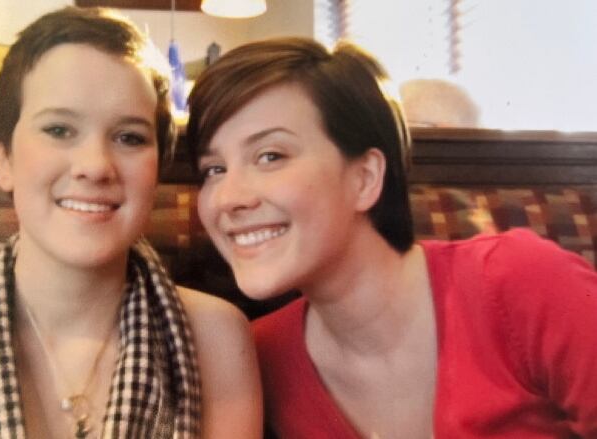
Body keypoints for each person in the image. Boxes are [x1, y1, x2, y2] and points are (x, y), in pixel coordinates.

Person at [0, 7, 261, 439]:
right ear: (3, 158)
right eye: (59, 129)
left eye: (129, 137)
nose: (95, 166)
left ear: (158, 169)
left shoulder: (218, 338)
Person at [186, 37, 597, 438]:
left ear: (365, 178)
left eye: (271, 156)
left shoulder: (521, 282)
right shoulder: (259, 356)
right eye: (214, 170)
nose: (228, 199)